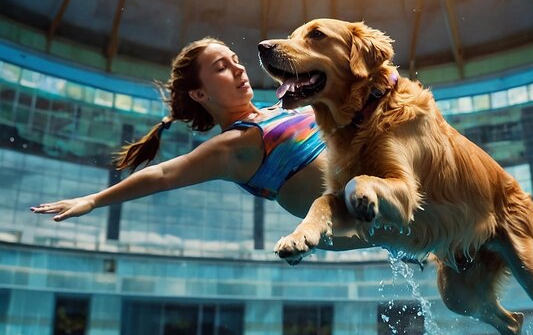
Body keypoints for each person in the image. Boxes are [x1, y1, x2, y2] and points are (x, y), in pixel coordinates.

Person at [30, 36, 364, 252]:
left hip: (370, 193)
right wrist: (92, 200)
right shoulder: (232, 146)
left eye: (235, 59)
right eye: (222, 67)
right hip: (343, 221)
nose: (238, 68)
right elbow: (162, 175)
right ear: (200, 94)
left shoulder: (285, 105)